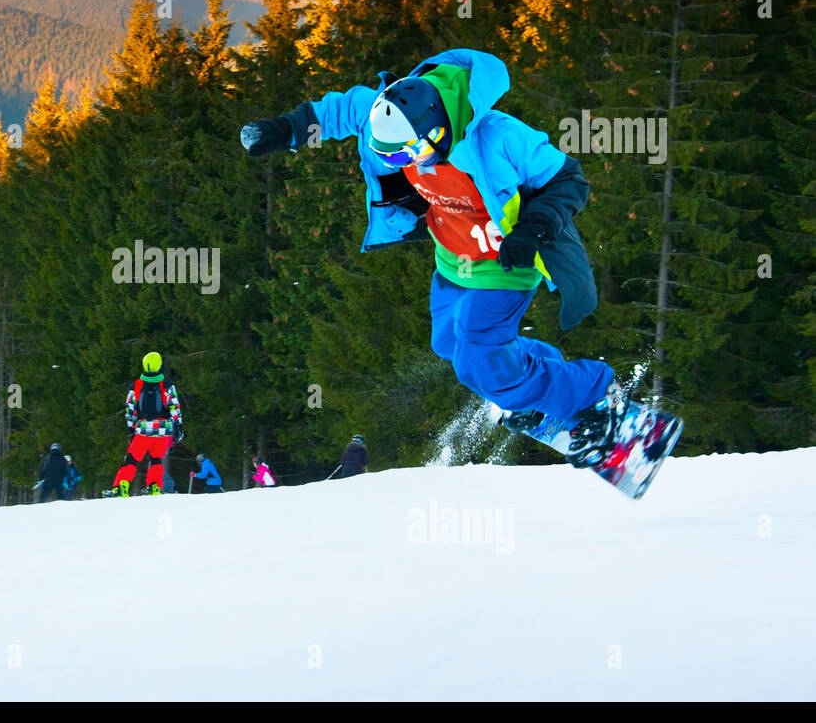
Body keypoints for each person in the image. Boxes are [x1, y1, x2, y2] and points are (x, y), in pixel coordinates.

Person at [240, 48, 656, 470]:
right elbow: (339, 111)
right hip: (452, 262)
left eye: (408, 155)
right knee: (450, 344)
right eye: (391, 157)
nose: (402, 165)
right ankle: (533, 377)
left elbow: (568, 179)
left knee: (479, 364)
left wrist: (533, 231)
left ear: (436, 133)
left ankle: (594, 397)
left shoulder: (499, 136)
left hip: (502, 266)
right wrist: (282, 130)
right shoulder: (389, 118)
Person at [109, 351, 182, 497]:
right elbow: (174, 407)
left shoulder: (135, 385)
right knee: (156, 459)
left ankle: (122, 487)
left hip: (143, 429)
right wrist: (178, 426)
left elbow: (130, 410)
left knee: (132, 458)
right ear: (159, 365)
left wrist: (131, 429)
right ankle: (154, 487)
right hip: (163, 429)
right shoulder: (167, 384)